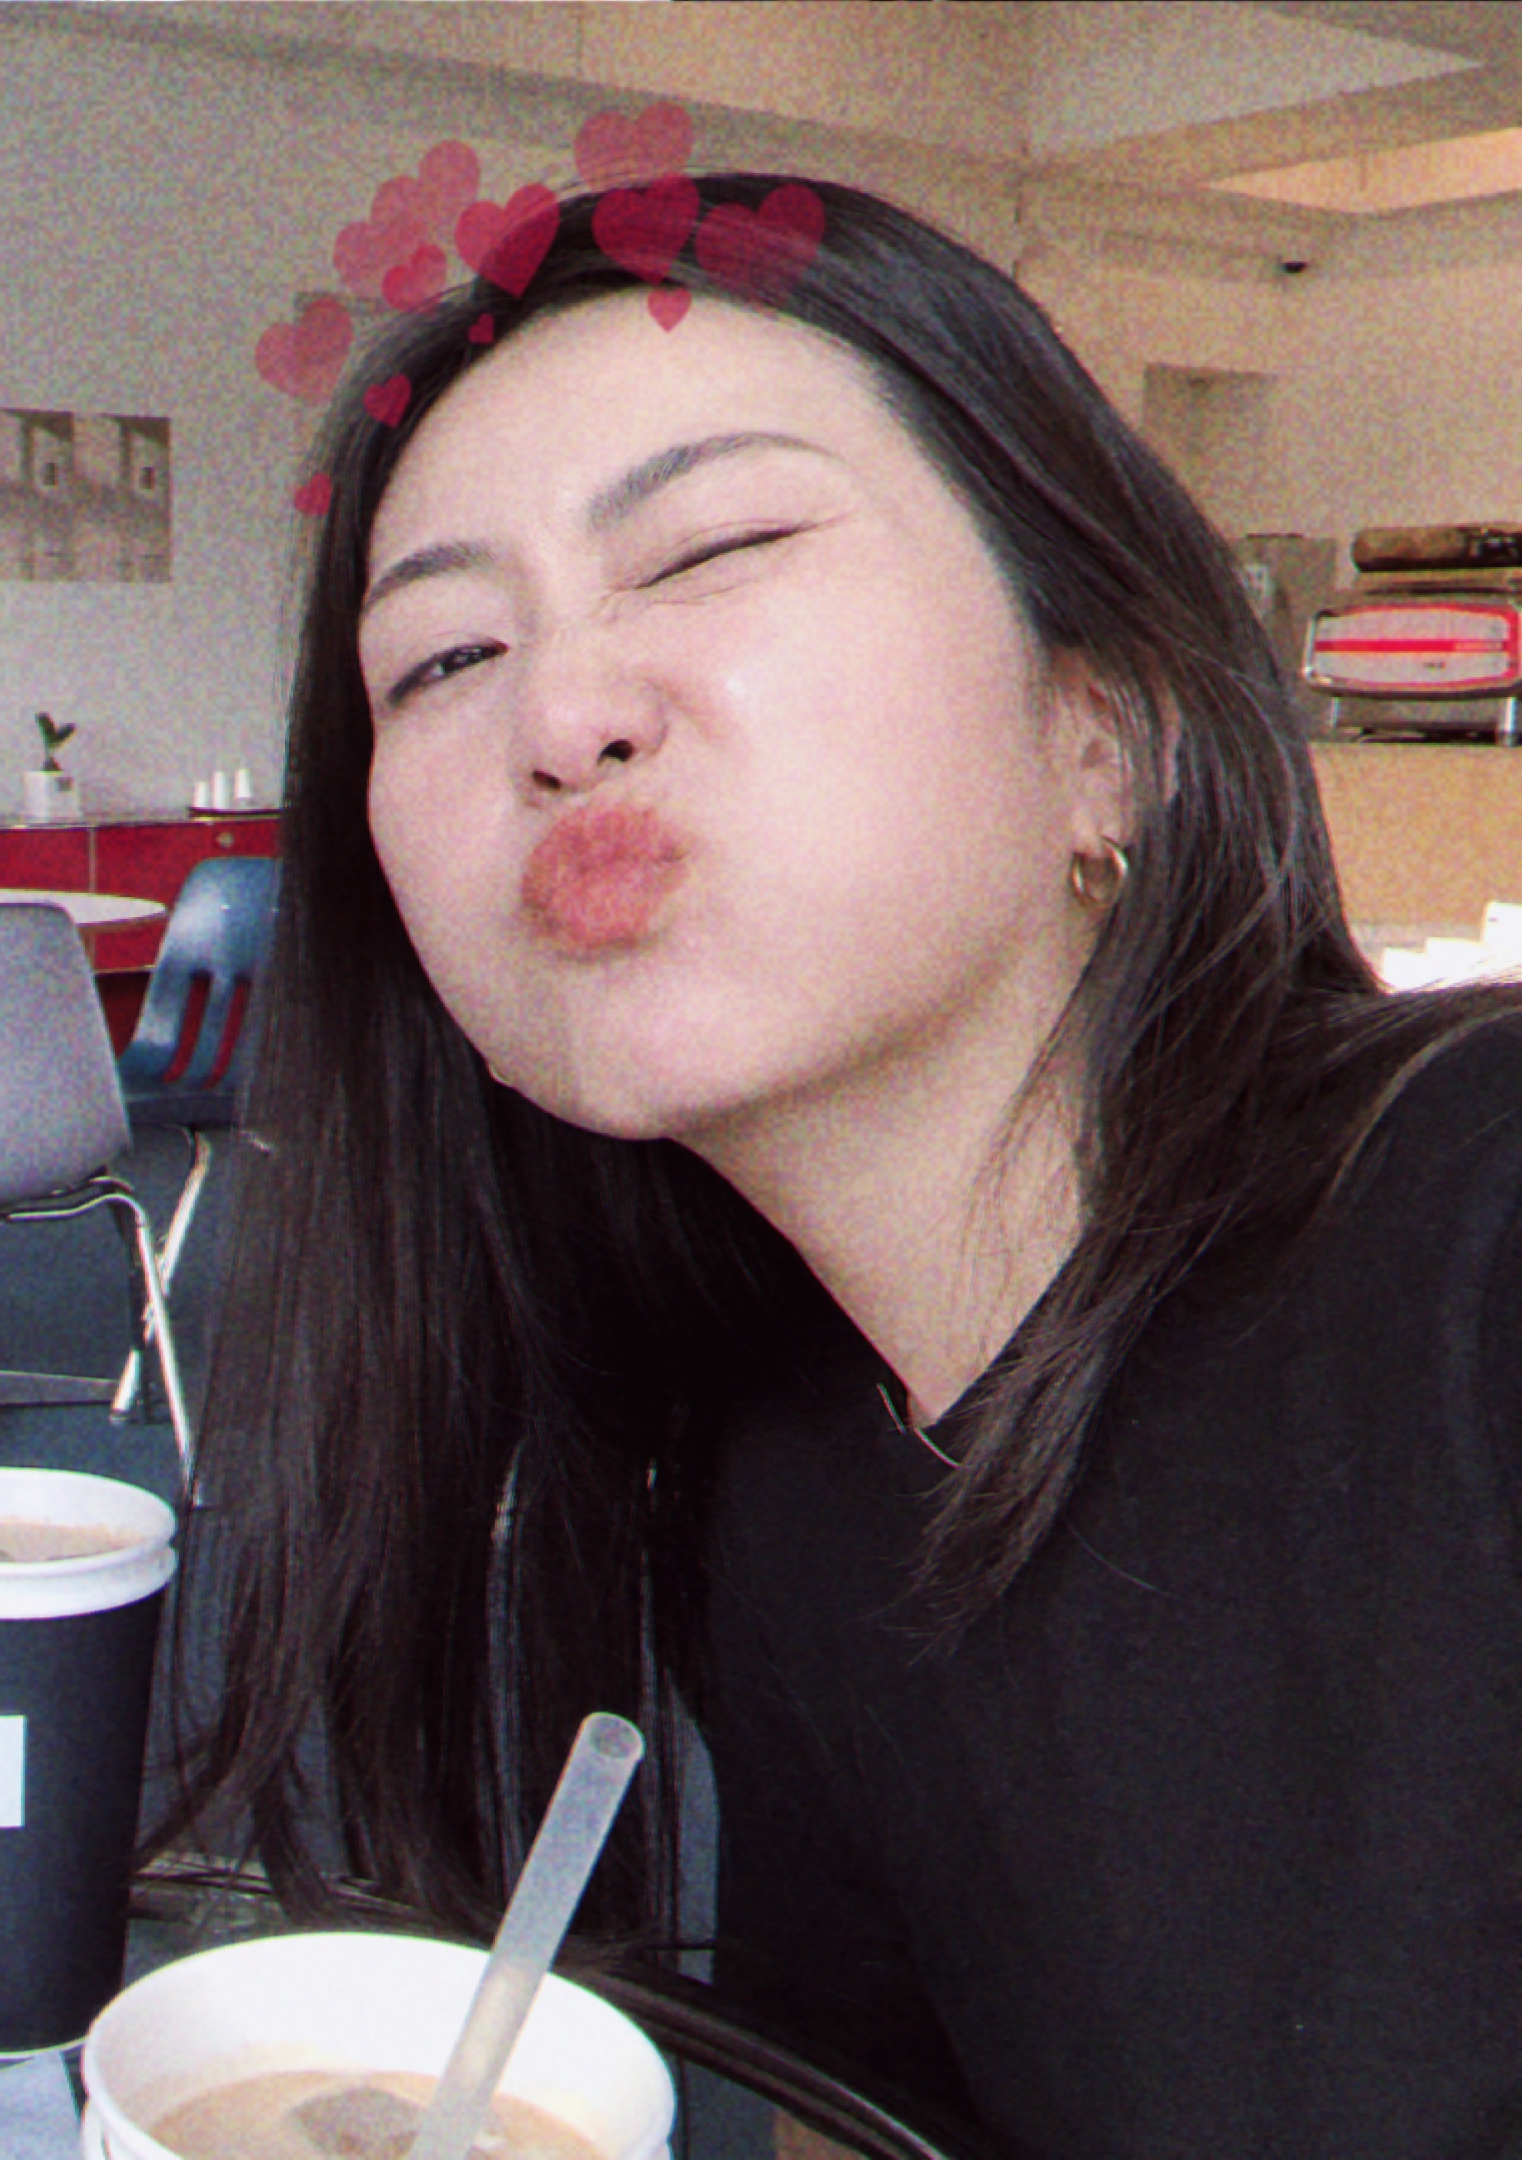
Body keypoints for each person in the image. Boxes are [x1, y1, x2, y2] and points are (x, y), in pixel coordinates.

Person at [167, 172, 1521, 2156]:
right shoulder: (795, 1496)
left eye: (711, 547)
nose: (559, 713)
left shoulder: (1475, 1240)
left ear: (1109, 725)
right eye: (443, 658)